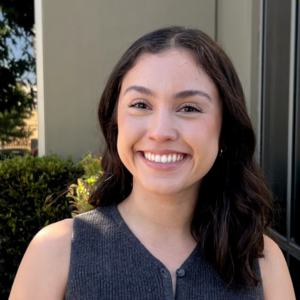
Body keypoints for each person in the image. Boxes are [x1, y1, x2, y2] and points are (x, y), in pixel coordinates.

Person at [9, 26, 295, 300]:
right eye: (141, 104)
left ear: (225, 133)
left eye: (189, 108)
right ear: (115, 122)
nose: (160, 131)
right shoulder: (56, 252)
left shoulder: (262, 262)